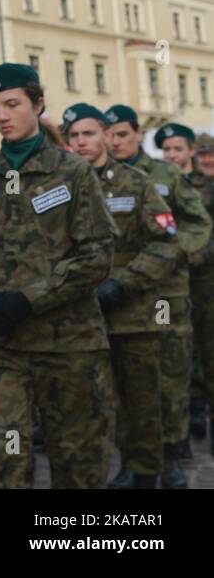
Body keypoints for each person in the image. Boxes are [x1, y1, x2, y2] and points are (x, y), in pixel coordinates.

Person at [0, 64, 114, 488]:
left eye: (13, 104)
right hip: (1, 345)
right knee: (6, 453)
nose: (2, 115)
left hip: (68, 342)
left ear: (38, 105)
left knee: (76, 459)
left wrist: (29, 299)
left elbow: (97, 255)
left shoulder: (72, 173)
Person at [63, 104, 177, 489]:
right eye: (73, 135)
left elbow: (166, 243)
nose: (81, 142)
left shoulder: (135, 183)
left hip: (133, 315)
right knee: (89, 403)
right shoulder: (57, 188)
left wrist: (124, 282)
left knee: (141, 400)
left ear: (106, 136)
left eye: (88, 134)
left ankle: (143, 471)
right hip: (79, 317)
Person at [104, 106, 211, 487]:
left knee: (169, 374)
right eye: (109, 134)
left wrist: (178, 255)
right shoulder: (101, 178)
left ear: (136, 134)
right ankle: (133, 459)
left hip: (165, 294)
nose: (114, 141)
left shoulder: (164, 174)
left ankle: (170, 454)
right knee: (128, 385)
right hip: (122, 297)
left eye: (121, 134)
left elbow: (198, 223)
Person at [156, 122, 214, 457]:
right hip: (169, 282)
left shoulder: (206, 186)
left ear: (190, 151)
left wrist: (190, 255)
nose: (172, 155)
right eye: (166, 150)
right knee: (178, 351)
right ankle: (188, 417)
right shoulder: (155, 183)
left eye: (178, 149)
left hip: (203, 280)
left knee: (207, 347)